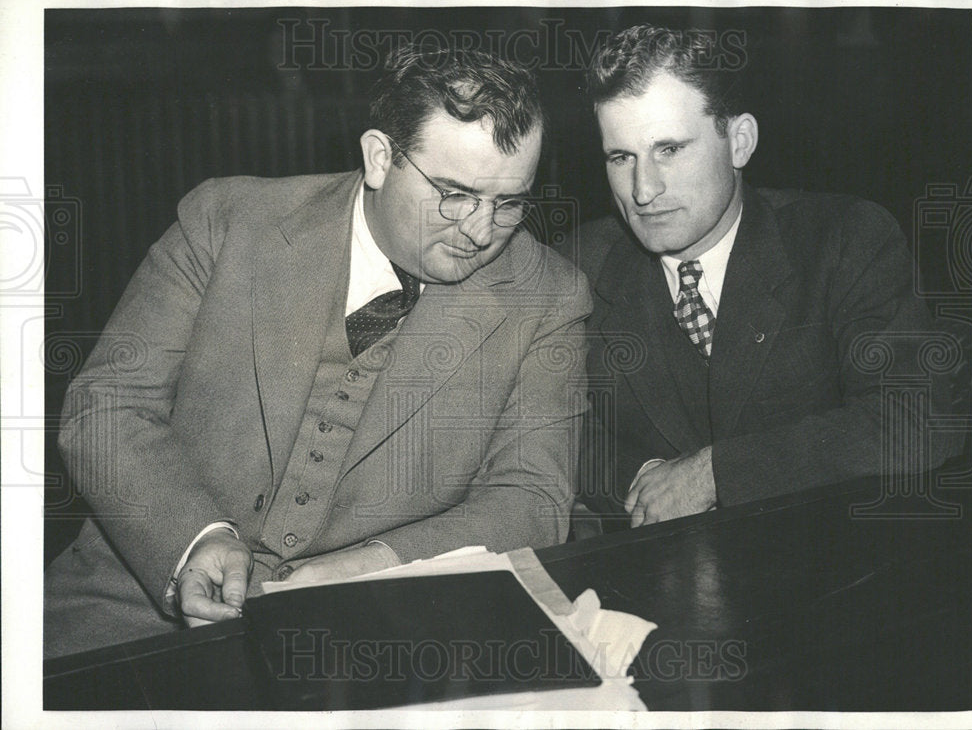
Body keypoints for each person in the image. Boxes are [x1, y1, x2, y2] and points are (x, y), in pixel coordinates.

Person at [45, 44, 590, 657]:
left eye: (510, 203)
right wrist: (193, 540)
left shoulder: (549, 296)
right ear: (381, 158)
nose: (481, 231)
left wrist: (375, 566)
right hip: (133, 606)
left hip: (378, 630)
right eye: (456, 195)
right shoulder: (227, 222)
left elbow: (532, 500)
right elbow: (106, 406)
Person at [572, 25, 956, 530]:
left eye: (670, 150)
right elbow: (557, 430)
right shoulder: (579, 264)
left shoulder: (843, 239)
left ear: (739, 142)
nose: (643, 190)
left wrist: (713, 473)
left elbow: (917, 418)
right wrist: (641, 479)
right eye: (622, 157)